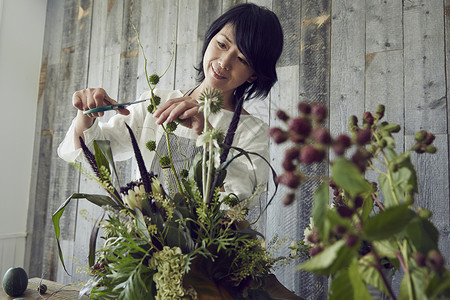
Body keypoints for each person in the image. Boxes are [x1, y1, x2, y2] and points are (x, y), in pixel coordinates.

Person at [58, 3, 284, 205]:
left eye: (242, 59)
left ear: (254, 75)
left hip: (207, 251)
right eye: (222, 44)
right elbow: (94, 157)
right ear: (210, 38)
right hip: (143, 243)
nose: (224, 62)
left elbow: (242, 203)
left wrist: (207, 134)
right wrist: (86, 114)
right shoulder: (157, 101)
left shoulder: (253, 132)